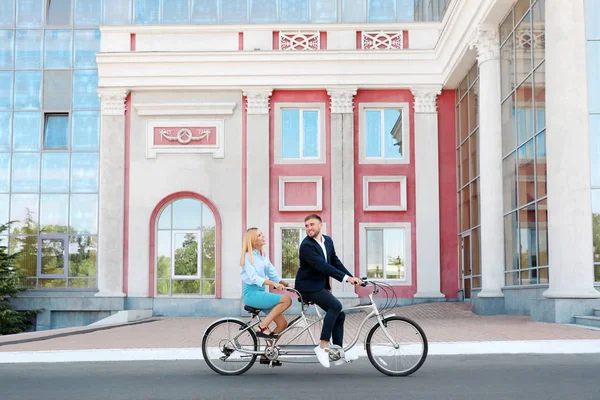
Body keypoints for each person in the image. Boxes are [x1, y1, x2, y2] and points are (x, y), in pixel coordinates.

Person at [294, 214, 362, 368]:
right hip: (307, 287)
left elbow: (334, 261)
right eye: (306, 226)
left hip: (319, 285)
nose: (309, 228)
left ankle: (337, 352)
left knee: (340, 314)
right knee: (335, 306)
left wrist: (352, 278)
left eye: (311, 224)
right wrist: (346, 279)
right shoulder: (306, 246)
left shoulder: (328, 240)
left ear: (320, 225)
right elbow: (322, 266)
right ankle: (323, 346)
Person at [240, 227, 292, 341]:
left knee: (282, 324)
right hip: (252, 294)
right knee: (287, 300)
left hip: (261, 293)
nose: (263, 236)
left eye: (261, 233)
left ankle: (266, 355)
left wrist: (289, 286)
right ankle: (262, 326)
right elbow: (254, 278)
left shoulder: (263, 255)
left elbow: (272, 273)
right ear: (253, 240)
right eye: (259, 235)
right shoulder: (247, 256)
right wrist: (272, 283)